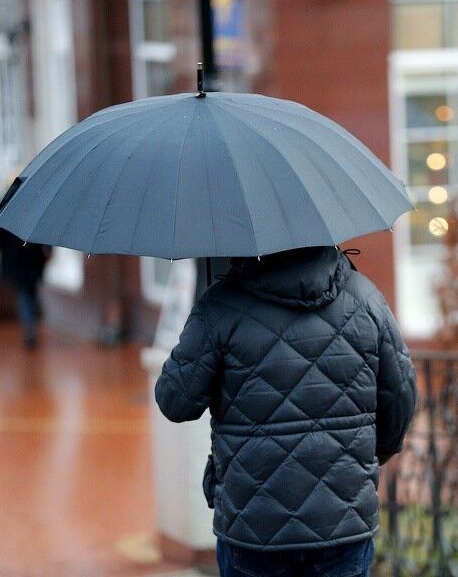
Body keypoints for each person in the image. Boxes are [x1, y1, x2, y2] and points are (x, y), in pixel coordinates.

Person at [155, 246, 417, 577]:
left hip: (252, 523)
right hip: (342, 520)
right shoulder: (366, 299)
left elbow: (175, 400)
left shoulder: (221, 305)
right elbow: (401, 398)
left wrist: (203, 321)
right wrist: (360, 458)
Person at [0, 227, 50, 349]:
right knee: (28, 293)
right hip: (30, 261)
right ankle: (31, 321)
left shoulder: (9, 219)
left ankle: (30, 325)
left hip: (19, 261)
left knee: (25, 294)